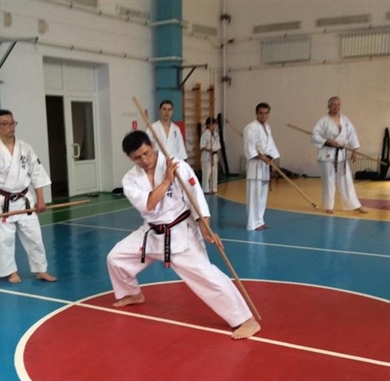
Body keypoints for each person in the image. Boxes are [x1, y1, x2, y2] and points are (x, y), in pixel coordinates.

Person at [106, 130, 261, 340]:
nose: (144, 160)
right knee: (116, 258)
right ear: (130, 158)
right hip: (152, 232)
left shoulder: (177, 166)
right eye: (137, 158)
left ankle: (246, 320)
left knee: (207, 276)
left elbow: (196, 198)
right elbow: (149, 204)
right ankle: (131, 293)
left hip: (180, 233)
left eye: (146, 153)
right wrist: (166, 181)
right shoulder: (130, 179)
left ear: (152, 146)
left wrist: (205, 228)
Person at [0, 109, 57, 283]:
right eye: (5, 124)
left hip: (25, 200)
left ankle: (41, 270)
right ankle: (10, 272)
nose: (10, 127)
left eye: (12, 123)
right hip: (2, 202)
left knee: (34, 237)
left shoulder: (25, 148)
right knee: (3, 240)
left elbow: (37, 174)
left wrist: (41, 199)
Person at [311, 96, 366, 215]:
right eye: (334, 105)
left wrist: (355, 150)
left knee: (347, 180)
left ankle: (354, 205)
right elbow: (314, 136)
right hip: (327, 155)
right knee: (329, 180)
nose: (336, 107)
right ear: (329, 106)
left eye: (338, 104)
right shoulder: (323, 120)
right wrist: (327, 141)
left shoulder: (345, 120)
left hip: (341, 154)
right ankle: (328, 206)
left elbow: (352, 134)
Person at [243, 102, 280, 231]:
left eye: (266, 113)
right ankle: (252, 223)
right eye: (261, 113)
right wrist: (262, 157)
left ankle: (259, 221)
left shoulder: (267, 127)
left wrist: (272, 159)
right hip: (255, 166)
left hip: (265, 166)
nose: (263, 115)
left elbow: (271, 146)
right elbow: (250, 148)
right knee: (254, 196)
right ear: (256, 113)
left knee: (262, 196)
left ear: (269, 114)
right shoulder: (251, 127)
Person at [200, 117, 221, 194]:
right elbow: (202, 147)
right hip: (207, 156)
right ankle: (205, 189)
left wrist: (219, 156)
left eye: (215, 124)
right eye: (213, 124)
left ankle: (214, 188)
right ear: (208, 125)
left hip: (214, 156)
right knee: (207, 173)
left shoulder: (216, 134)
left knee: (214, 174)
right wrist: (209, 150)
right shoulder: (205, 134)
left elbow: (218, 146)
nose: (214, 126)